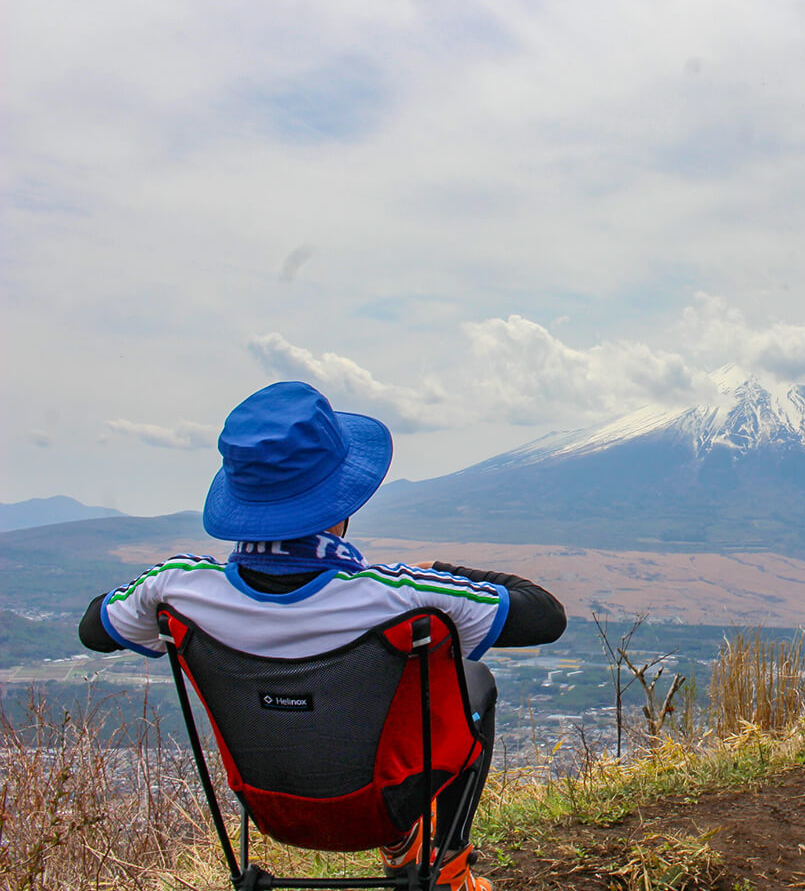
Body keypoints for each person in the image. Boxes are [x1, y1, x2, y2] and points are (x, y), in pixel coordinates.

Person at [79, 381, 566, 891]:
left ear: (240, 497)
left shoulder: (176, 589)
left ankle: (411, 848)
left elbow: (95, 628)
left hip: (267, 804)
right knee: (475, 681)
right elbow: (543, 616)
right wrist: (437, 570)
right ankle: (444, 868)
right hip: (389, 801)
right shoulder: (402, 597)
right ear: (342, 503)